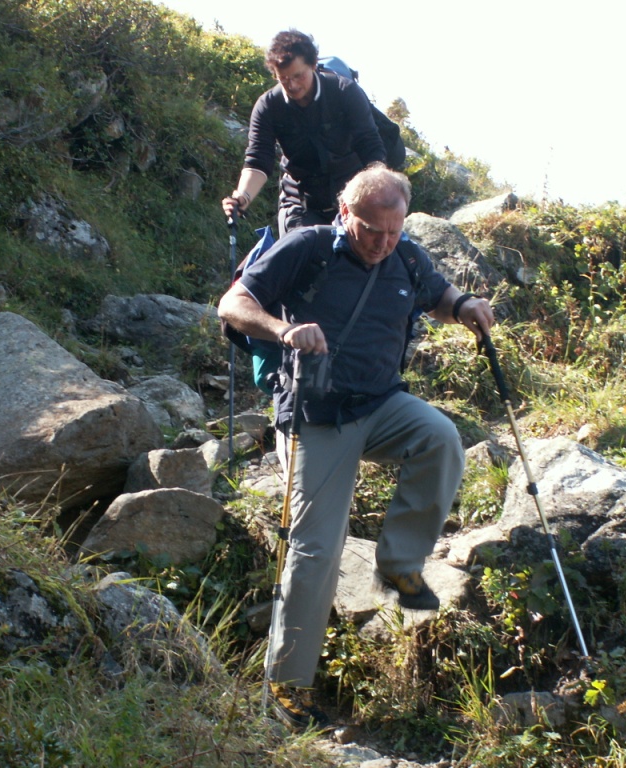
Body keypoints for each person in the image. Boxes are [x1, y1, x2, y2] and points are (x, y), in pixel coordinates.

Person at [217, 165, 495, 729]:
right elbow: (233, 304)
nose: (382, 242)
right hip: (316, 416)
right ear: (346, 213)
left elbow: (439, 296)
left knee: (441, 438)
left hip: (381, 404)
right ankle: (287, 686)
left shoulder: (406, 256)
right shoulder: (308, 248)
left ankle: (398, 566)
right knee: (317, 548)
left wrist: (465, 306)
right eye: (371, 230)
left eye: (393, 230)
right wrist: (283, 329)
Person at [221, 29, 387, 236]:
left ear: (313, 65)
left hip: (352, 199)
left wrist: (378, 190)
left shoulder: (345, 91)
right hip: (299, 203)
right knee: (302, 250)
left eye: (298, 76)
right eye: (283, 78)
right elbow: (258, 159)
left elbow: (370, 144)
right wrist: (242, 197)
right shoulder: (268, 106)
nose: (292, 85)